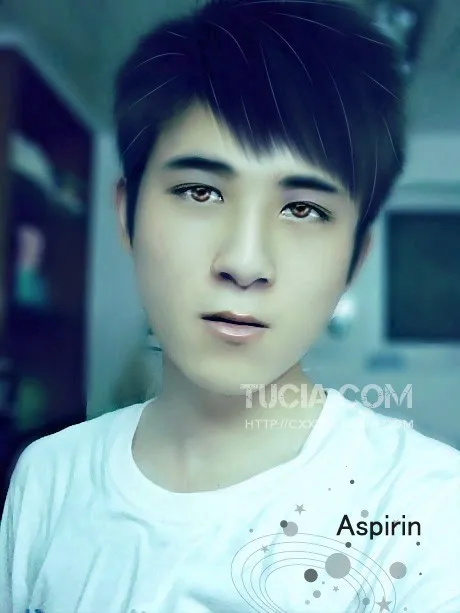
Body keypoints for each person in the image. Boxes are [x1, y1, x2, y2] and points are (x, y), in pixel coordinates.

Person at [1, 0, 459, 611]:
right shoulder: (48, 476)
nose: (244, 262)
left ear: (354, 259)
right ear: (127, 215)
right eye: (200, 191)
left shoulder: (428, 506)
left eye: (303, 209)